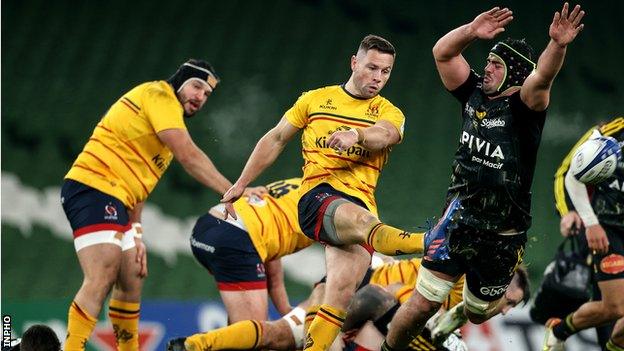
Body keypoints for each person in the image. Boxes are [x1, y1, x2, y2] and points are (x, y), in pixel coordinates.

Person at [381, 4, 585, 350]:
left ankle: (460, 316)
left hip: (503, 236)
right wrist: (472, 32)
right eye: (487, 61)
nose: (486, 68)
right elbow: (442, 54)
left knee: (477, 312)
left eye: (496, 64)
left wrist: (558, 45)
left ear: (515, 73)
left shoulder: (527, 108)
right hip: (457, 221)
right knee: (422, 302)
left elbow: (544, 77)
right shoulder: (473, 92)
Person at [221, 34, 425, 351]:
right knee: (368, 226)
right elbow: (275, 139)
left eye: (385, 72)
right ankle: (430, 241)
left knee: (338, 300)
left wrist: (355, 134)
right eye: (372, 68)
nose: (378, 78)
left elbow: (383, 135)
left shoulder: (390, 112)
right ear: (354, 62)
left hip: (359, 204)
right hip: (319, 197)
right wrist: (240, 183)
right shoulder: (315, 100)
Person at [60, 59, 264, 350]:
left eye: (206, 94)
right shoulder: (159, 95)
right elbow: (189, 155)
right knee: (103, 273)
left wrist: (137, 234)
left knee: (132, 275)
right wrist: (233, 190)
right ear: (179, 82)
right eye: (196, 87)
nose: (200, 97)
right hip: (92, 186)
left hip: (119, 199)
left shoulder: (163, 129)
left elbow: (140, 186)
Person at [166, 257, 530, 351]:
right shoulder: (453, 284)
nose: (507, 309)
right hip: (351, 289)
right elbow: (385, 307)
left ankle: (194, 344)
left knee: (277, 337)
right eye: (509, 299)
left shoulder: (456, 309)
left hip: (348, 294)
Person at [542, 116, 624, 351]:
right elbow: (572, 174)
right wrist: (590, 223)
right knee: (615, 308)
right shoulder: (613, 133)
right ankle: (558, 332)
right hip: (607, 231)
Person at [189, 177, 313, 325]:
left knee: (242, 329)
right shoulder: (332, 207)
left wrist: (285, 308)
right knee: (255, 333)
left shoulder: (304, 181)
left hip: (206, 226)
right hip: (234, 238)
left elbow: (270, 247)